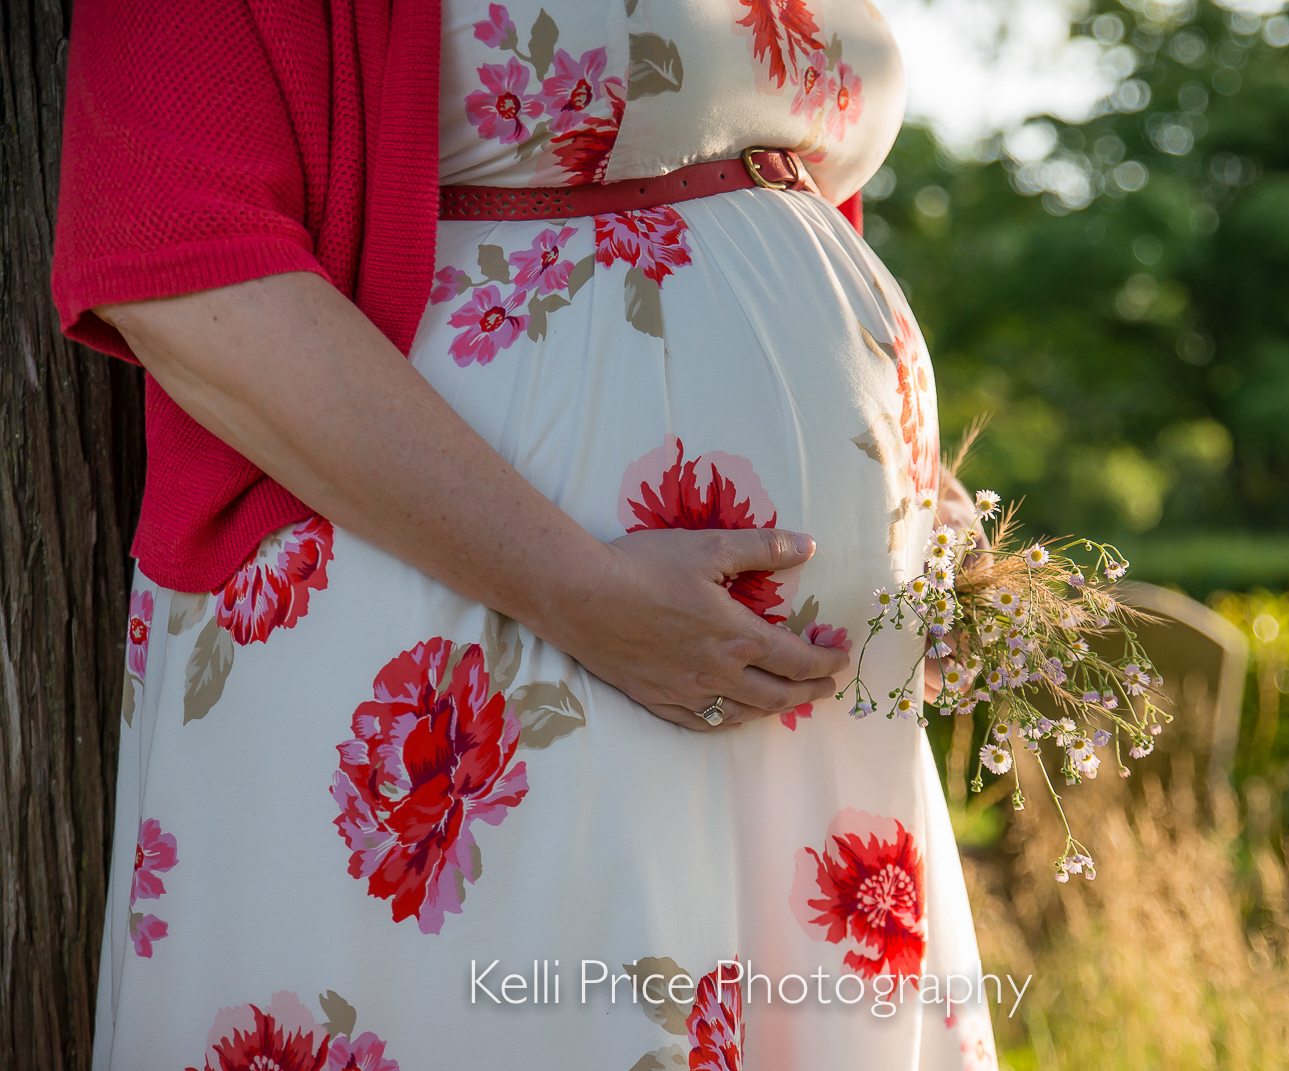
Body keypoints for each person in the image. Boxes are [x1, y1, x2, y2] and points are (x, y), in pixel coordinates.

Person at [54, 1, 1000, 1068]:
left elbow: (770, 199)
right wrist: (571, 588)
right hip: (467, 627)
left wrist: (908, 494)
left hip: (788, 707)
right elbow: (186, 268)